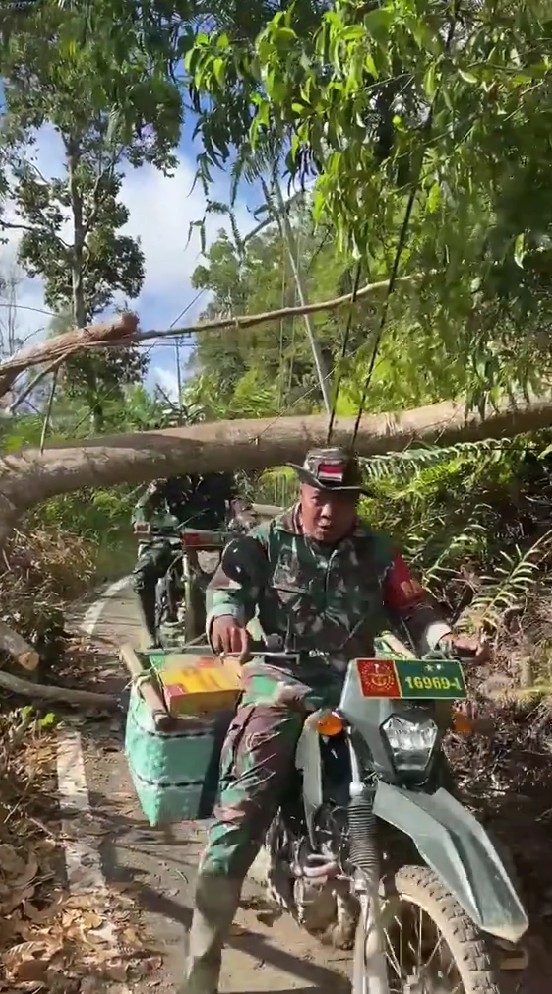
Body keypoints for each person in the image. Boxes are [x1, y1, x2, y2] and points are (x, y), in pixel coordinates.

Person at [181, 447, 488, 994]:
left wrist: (445, 640)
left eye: (341, 501)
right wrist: (226, 619)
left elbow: (415, 607)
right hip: (281, 679)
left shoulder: (378, 552)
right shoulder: (261, 544)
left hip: (362, 683)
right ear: (301, 492)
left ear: (354, 503)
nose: (328, 511)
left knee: (433, 778)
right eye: (319, 498)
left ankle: (452, 908)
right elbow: (225, 594)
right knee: (243, 805)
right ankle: (201, 968)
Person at [131, 472, 239, 646]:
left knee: (245, 570)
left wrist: (246, 517)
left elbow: (237, 500)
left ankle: (244, 629)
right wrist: (141, 520)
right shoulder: (167, 476)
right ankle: (151, 635)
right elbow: (145, 502)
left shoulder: (220, 475)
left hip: (213, 538)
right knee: (142, 576)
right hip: (172, 538)